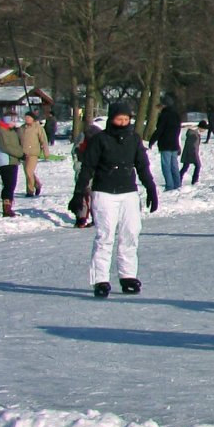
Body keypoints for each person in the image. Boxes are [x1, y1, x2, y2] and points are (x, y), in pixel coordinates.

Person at [70, 100, 158, 297]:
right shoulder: (100, 140)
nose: (123, 122)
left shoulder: (134, 139)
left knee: (131, 233)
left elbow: (142, 166)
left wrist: (150, 187)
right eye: (120, 119)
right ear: (112, 119)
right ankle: (100, 279)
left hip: (129, 193)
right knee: (105, 236)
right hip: (104, 193)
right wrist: (78, 194)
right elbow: (87, 168)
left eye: (126, 119)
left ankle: (128, 276)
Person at [0, 114, 20, 215]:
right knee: (9, 184)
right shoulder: (0, 130)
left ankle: (9, 205)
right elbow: (6, 147)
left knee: (12, 184)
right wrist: (20, 154)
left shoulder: (11, 130)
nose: (15, 123)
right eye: (13, 121)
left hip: (13, 160)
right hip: (6, 160)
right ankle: (6, 207)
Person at [152, 98, 182, 192]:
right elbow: (178, 130)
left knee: (166, 166)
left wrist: (152, 140)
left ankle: (169, 185)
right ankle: (177, 184)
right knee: (174, 165)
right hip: (174, 143)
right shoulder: (176, 115)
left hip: (165, 143)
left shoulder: (164, 115)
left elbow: (159, 130)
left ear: (164, 105)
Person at [18, 107, 47, 196]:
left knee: (29, 171)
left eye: (29, 117)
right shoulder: (21, 128)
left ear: (33, 118)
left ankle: (30, 191)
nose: (27, 119)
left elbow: (44, 140)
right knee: (28, 173)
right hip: (23, 153)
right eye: (26, 117)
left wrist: (46, 152)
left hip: (33, 153)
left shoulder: (38, 128)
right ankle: (37, 184)